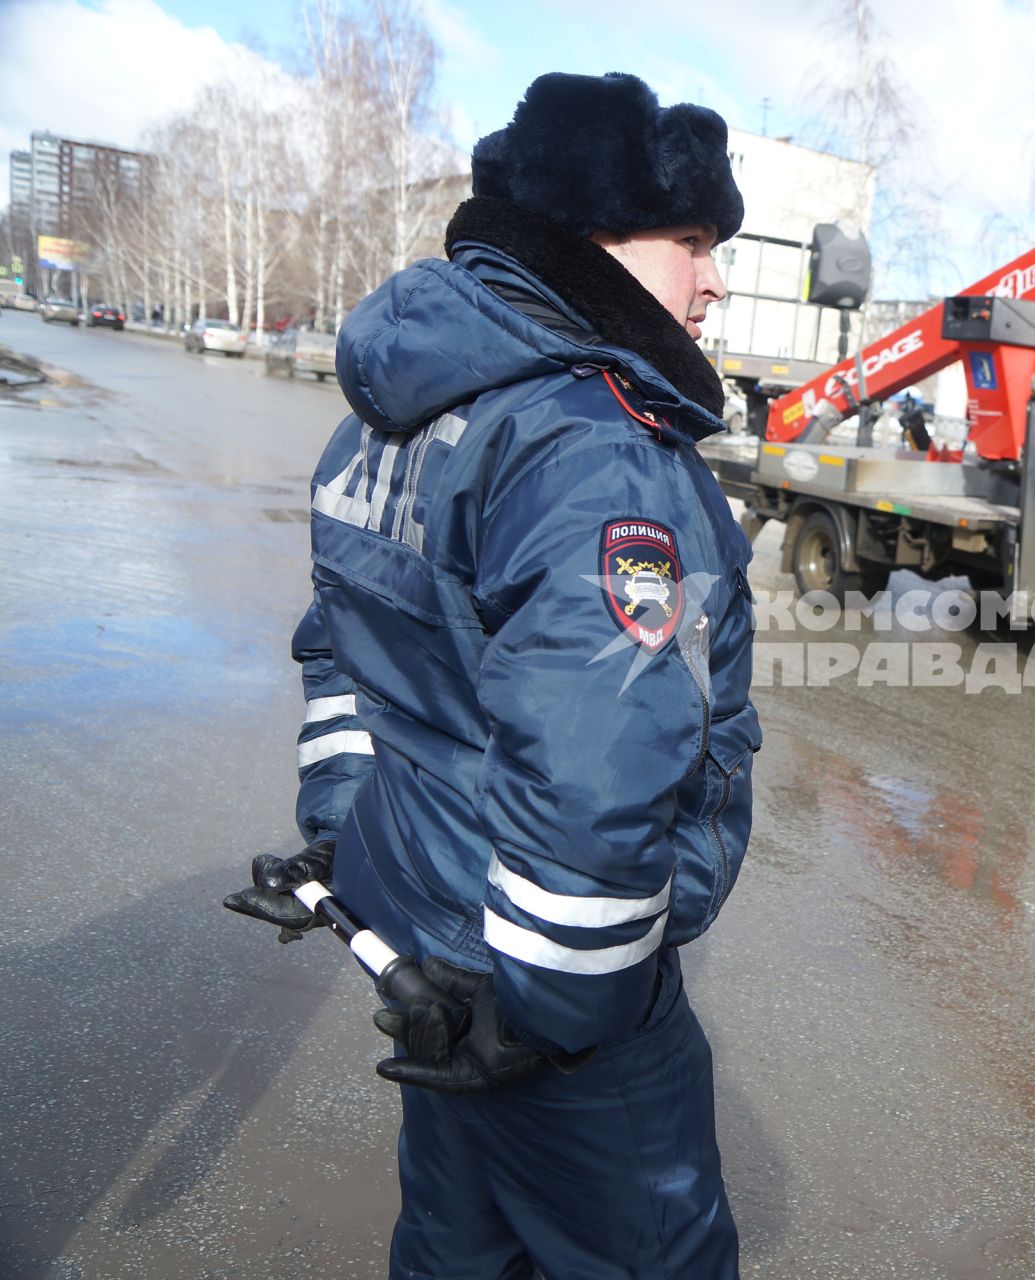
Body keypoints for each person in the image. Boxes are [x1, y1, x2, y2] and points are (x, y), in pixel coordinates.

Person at [226, 72, 757, 1278]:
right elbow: (595, 771)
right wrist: (554, 1016)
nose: (714, 277)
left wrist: (345, 840)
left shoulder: (399, 409)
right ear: (596, 241)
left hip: (433, 933)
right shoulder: (593, 449)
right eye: (692, 241)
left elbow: (345, 654)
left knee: (459, 1247)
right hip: (545, 1008)